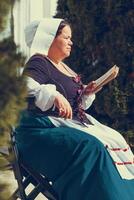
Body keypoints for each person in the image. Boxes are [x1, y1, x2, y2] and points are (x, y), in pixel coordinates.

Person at [16, 18, 134, 200]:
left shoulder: (64, 67)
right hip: (38, 131)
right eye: (66, 37)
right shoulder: (39, 62)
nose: (71, 42)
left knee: (115, 140)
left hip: (62, 127)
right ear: (50, 39)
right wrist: (54, 95)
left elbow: (73, 103)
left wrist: (86, 93)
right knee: (91, 147)